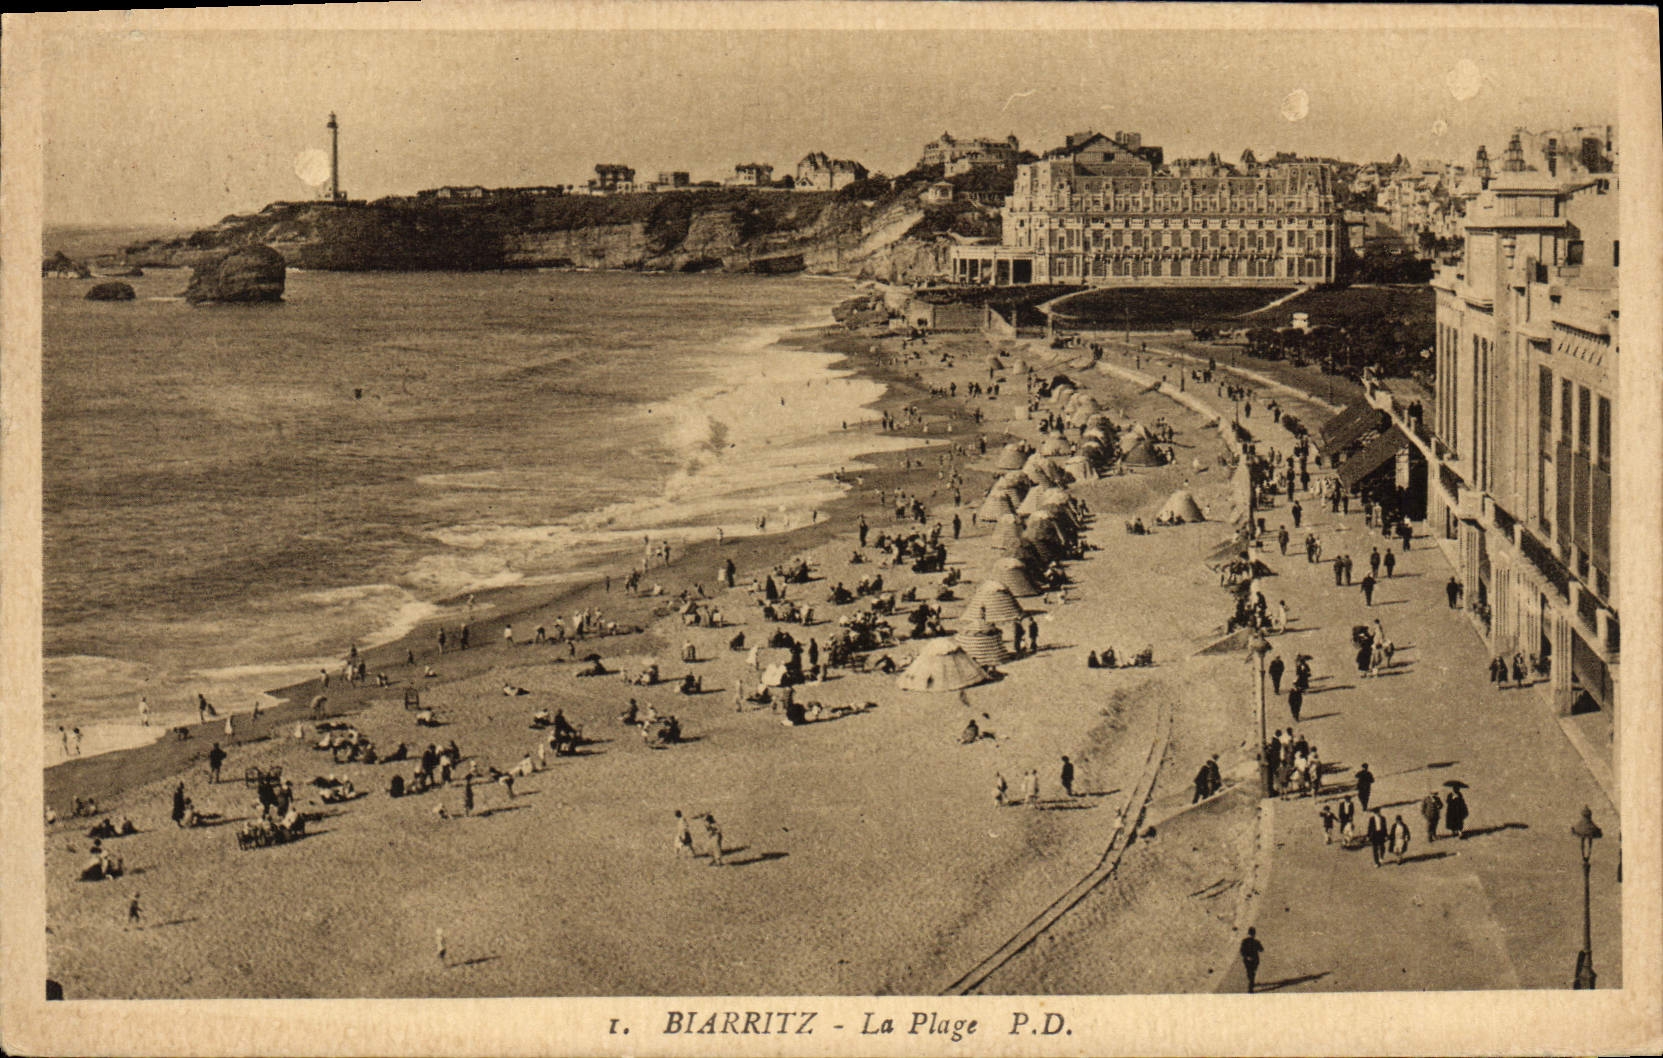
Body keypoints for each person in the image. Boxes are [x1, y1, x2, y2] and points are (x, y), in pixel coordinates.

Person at [1239, 928, 1264, 993]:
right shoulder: (1256, 942)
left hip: (1247, 961)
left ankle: (1251, 984)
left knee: (1249, 972)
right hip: (1255, 960)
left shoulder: (1244, 941)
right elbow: (1261, 949)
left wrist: (1246, 957)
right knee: (1253, 972)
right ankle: (1251, 986)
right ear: (1254, 934)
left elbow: (1241, 951)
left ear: (1248, 933)